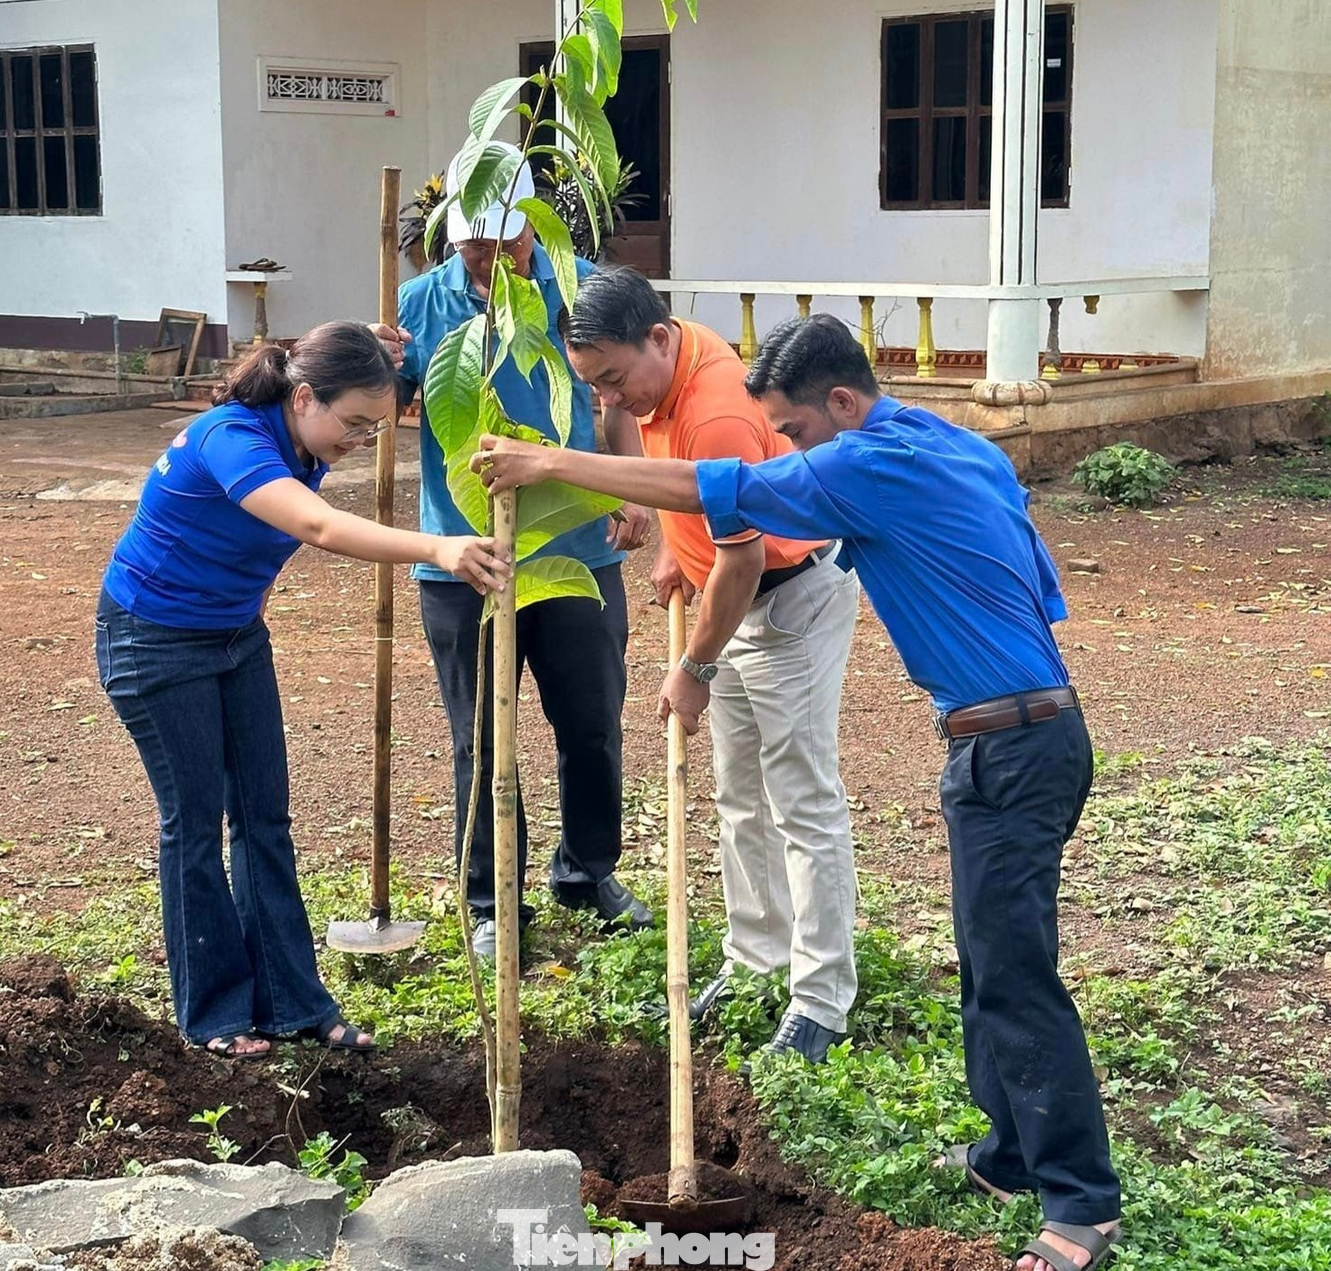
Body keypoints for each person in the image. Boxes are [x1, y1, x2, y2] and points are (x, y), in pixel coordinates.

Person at [472, 314, 1122, 1271]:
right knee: (988, 959)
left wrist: (550, 466)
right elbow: (1038, 584)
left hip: (1010, 747)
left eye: (797, 432)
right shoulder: (951, 442)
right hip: (1022, 730)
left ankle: (1081, 1204)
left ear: (843, 404)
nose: (791, 450)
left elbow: (709, 489)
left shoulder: (862, 464)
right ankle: (1008, 1154)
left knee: (1018, 975)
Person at [97, 322, 508, 1060]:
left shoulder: (303, 421)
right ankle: (216, 1015)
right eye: (352, 424)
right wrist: (438, 546)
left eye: (375, 428)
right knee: (192, 826)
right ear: (306, 397)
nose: (359, 441)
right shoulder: (232, 438)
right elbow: (317, 525)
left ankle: (294, 1005)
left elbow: (319, 360)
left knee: (264, 818)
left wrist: (366, 342)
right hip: (151, 639)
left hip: (234, 635)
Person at [557, 268, 861, 1062]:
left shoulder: (717, 407)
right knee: (738, 793)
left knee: (800, 795)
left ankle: (820, 996)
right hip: (735, 594)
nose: (613, 402)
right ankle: (756, 957)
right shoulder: (667, 368)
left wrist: (694, 666)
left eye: (615, 380)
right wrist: (671, 545)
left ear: (658, 339)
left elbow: (745, 558)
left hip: (785, 597)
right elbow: (683, 490)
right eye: (597, 389)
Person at [372, 143, 653, 960]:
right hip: (463, 559)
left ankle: (588, 871)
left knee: (593, 723)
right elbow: (385, 411)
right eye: (469, 243)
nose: (486, 257)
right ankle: (493, 896)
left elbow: (615, 396)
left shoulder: (581, 288)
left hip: (576, 547)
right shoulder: (420, 303)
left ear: (534, 227)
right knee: (480, 738)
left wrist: (634, 485)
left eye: (501, 241)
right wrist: (379, 363)